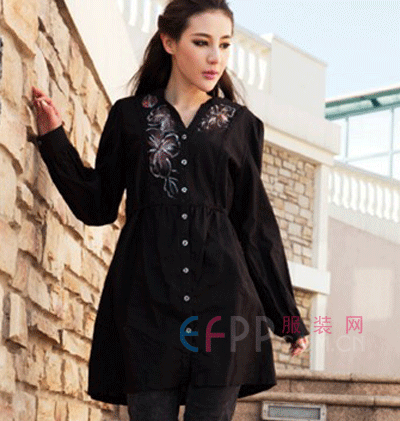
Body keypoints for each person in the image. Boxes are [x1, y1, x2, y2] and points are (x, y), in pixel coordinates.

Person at [31, 0, 309, 419]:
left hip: (223, 307)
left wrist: (287, 317)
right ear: (169, 42)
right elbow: (97, 205)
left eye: (225, 44)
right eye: (202, 42)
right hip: (146, 303)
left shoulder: (241, 124)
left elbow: (254, 226)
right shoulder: (129, 117)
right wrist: (54, 142)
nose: (215, 57)